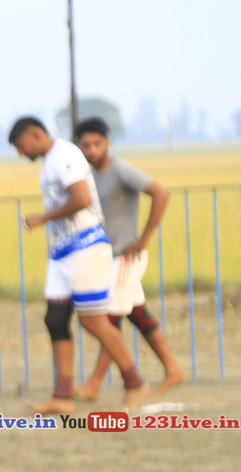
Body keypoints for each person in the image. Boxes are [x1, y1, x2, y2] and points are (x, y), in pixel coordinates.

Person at [9, 116, 149, 413]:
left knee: (93, 321)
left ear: (36, 135)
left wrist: (41, 218)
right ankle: (62, 397)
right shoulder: (50, 161)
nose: (20, 153)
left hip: (85, 246)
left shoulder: (65, 154)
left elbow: (82, 199)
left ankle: (134, 382)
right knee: (55, 319)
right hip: (63, 250)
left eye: (21, 146)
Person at [72, 117, 184, 399]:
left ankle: (96, 384)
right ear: (79, 146)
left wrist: (144, 238)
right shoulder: (88, 175)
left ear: (107, 143)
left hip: (124, 257)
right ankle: (173, 370)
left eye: (97, 143)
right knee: (138, 314)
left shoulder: (120, 170)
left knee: (107, 319)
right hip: (104, 257)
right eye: (86, 145)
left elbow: (160, 192)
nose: (92, 150)